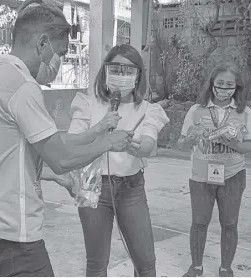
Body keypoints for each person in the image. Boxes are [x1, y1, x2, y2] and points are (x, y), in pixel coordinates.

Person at [0, 1, 133, 277]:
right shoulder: (23, 87)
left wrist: (97, 131)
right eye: (62, 53)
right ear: (43, 43)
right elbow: (61, 158)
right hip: (14, 232)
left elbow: (48, 142)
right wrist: (108, 144)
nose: (60, 62)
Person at [64, 44, 169, 277]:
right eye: (116, 69)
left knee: (145, 262)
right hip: (90, 183)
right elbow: (72, 144)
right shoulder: (87, 104)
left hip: (130, 187)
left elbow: (149, 145)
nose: (121, 76)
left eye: (128, 70)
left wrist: (137, 148)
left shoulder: (147, 109)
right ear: (105, 70)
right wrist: (100, 128)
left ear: (138, 75)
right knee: (96, 263)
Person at [177, 63, 251, 277]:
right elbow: (181, 144)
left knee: (229, 223)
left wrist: (234, 144)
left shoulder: (245, 112)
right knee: (199, 222)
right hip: (201, 176)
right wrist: (192, 138)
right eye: (219, 84)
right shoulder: (196, 110)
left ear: (236, 87)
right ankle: (196, 266)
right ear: (211, 85)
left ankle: (225, 268)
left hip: (233, 176)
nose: (223, 89)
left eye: (229, 85)